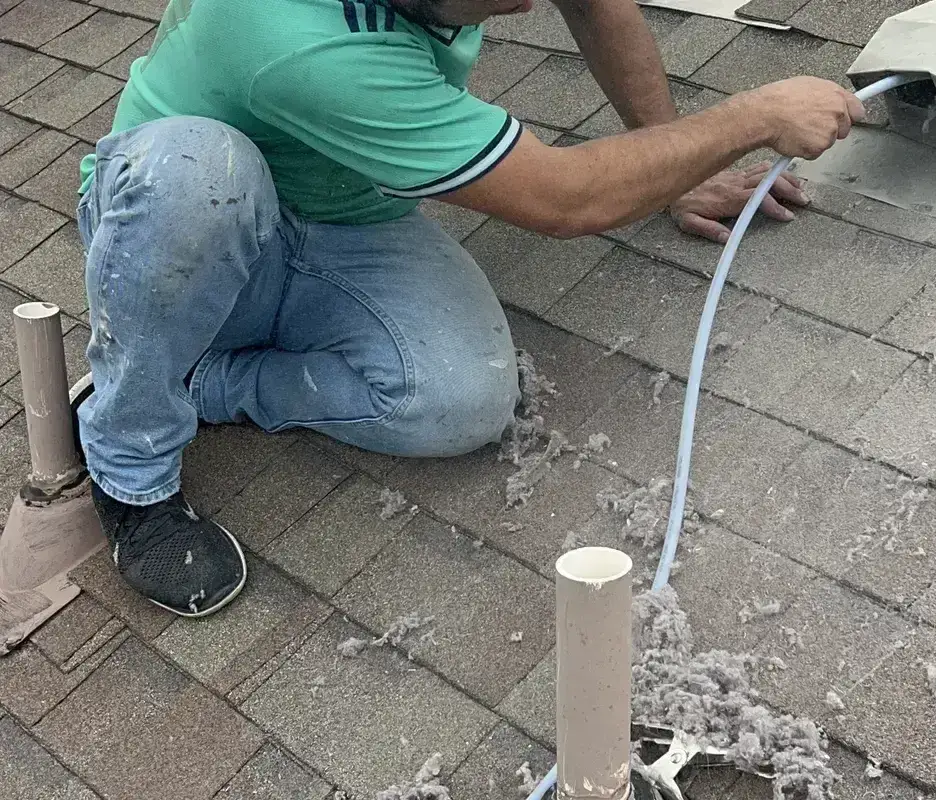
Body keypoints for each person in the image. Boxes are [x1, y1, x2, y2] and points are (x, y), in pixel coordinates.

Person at [75, 0, 865, 618]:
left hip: (341, 215)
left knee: (458, 399)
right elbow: (565, 198)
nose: (524, 13)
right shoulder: (291, 36)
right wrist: (749, 118)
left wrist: (676, 161)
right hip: (179, 228)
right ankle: (128, 456)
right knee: (200, 171)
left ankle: (198, 382)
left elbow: (593, 4)